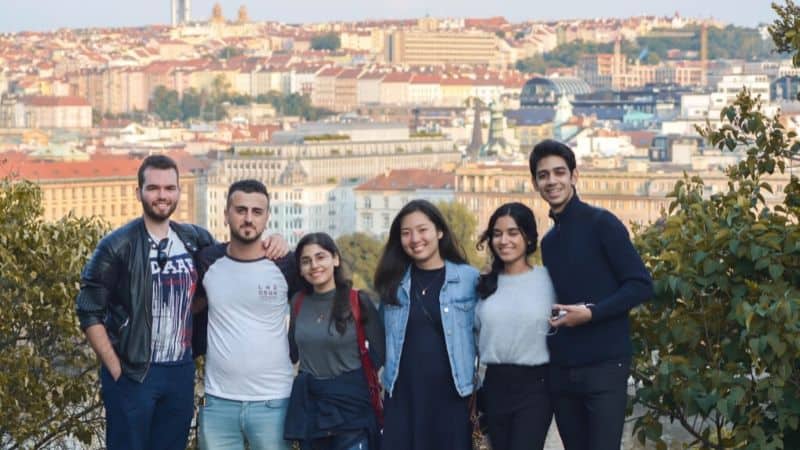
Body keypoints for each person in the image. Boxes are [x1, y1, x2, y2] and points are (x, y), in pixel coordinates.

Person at [75, 156, 286, 450]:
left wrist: (276, 240)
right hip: (134, 369)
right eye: (154, 188)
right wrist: (115, 367)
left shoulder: (194, 239)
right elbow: (88, 308)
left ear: (178, 192)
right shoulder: (117, 245)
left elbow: (228, 267)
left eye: (169, 188)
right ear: (139, 193)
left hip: (179, 371)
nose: (162, 195)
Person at [528, 140, 653, 450]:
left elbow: (640, 284)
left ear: (574, 176)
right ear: (535, 183)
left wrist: (592, 313)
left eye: (559, 172)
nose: (552, 181)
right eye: (544, 175)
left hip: (604, 366)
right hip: (562, 369)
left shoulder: (602, 223)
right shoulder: (550, 241)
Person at [193, 179, 299, 450]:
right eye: (241, 210)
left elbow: (324, 295)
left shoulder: (287, 263)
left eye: (257, 212)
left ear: (267, 217)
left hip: (274, 401)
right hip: (217, 402)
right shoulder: (207, 261)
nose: (248, 218)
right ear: (226, 213)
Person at [374, 199, 479, 450]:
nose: (415, 239)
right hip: (403, 395)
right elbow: (379, 336)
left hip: (452, 394)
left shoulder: (468, 278)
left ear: (439, 232)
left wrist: (479, 385)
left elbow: (483, 335)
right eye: (406, 233)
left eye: (422, 230)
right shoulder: (393, 283)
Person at [284, 232, 385, 450]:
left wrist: (347, 380)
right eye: (306, 261)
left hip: (351, 406)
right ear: (300, 269)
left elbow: (380, 353)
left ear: (335, 260)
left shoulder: (358, 300)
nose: (314, 265)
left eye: (321, 257)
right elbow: (292, 352)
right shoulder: (298, 303)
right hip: (313, 406)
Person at [474, 202, 556, 450]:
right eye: (497, 234)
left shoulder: (548, 280)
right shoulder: (482, 284)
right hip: (494, 384)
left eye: (513, 232)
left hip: (537, 386)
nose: (504, 241)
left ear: (529, 237)